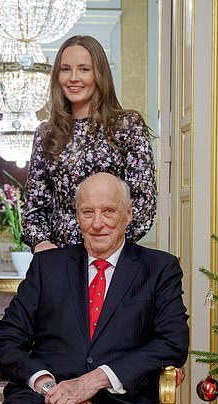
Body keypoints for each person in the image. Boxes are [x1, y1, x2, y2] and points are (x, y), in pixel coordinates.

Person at [0, 173, 189, 404]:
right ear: (77, 216)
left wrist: (94, 380)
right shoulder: (48, 266)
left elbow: (172, 342)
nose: (97, 224)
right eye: (87, 212)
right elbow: (4, 337)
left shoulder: (159, 268)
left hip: (121, 401)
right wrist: (47, 386)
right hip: (44, 399)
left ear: (128, 214)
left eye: (108, 212)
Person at [22, 35, 157, 253]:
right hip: (59, 259)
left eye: (84, 69)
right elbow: (34, 206)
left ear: (99, 74)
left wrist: (107, 241)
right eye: (65, 69)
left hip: (113, 259)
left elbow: (144, 201)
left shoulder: (127, 126)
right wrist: (41, 243)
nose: (73, 78)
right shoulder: (46, 133)